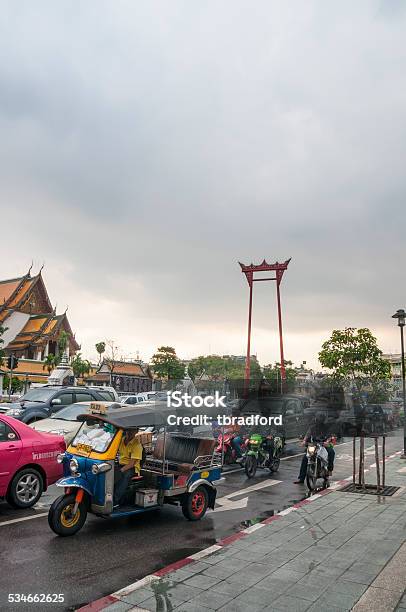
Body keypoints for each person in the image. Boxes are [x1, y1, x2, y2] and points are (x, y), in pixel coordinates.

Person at [294, 412, 335, 484]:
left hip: (323, 445)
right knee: (305, 458)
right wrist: (304, 441)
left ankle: (329, 469)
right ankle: (301, 478)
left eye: (321, 419)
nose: (319, 420)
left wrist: (327, 442)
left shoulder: (326, 427)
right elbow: (307, 435)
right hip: (314, 445)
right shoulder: (312, 427)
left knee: (331, 452)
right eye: (318, 418)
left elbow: (329, 436)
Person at [114, 428, 143, 506]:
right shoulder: (121, 440)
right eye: (128, 430)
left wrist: (120, 471)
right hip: (120, 464)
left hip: (132, 468)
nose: (129, 432)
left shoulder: (137, 445)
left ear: (136, 432)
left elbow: (132, 464)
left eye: (132, 430)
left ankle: (115, 500)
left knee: (124, 476)